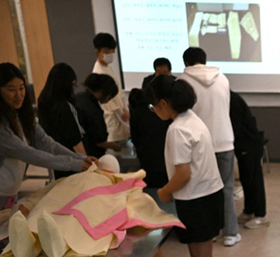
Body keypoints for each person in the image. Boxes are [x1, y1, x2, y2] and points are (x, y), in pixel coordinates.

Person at [147, 74, 225, 257]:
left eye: (153, 106)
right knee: (198, 253)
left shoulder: (178, 130)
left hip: (197, 199)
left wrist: (164, 192)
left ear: (163, 104)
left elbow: (182, 175)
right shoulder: (191, 119)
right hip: (206, 195)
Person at [0, 63, 94, 211]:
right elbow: (27, 153)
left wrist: (80, 158)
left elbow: (47, 143)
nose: (19, 95)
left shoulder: (19, 114)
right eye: (11, 90)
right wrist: (75, 164)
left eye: (21, 88)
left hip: (10, 189)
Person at [179, 47, 240, 246]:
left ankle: (210, 232)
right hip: (224, 140)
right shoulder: (222, 78)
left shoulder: (182, 82)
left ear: (186, 63)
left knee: (203, 191)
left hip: (198, 145)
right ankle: (231, 233)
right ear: (204, 61)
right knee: (227, 189)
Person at [37, 63, 86, 179]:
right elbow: (74, 138)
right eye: (73, 85)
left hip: (54, 154)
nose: (74, 89)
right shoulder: (64, 106)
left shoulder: (44, 100)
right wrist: (85, 159)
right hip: (70, 155)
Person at [128, 81, 172, 213]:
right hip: (166, 157)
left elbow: (135, 138)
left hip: (147, 159)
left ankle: (154, 216)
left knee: (152, 191)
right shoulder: (162, 112)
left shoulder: (136, 114)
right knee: (167, 189)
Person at [229, 90, 267, 228]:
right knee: (246, 178)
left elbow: (235, 126)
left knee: (254, 179)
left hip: (249, 142)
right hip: (242, 144)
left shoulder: (231, 100)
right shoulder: (228, 97)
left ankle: (260, 215)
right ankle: (249, 210)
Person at [91, 32, 130, 143]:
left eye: (112, 51)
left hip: (121, 119)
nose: (110, 54)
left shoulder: (107, 68)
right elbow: (109, 102)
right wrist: (124, 115)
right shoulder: (99, 72)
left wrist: (125, 109)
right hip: (113, 122)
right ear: (97, 51)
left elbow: (119, 93)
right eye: (106, 51)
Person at [75, 73, 120, 159]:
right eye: (109, 97)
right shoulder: (92, 110)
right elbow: (98, 141)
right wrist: (114, 146)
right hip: (89, 154)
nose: (108, 101)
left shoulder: (79, 97)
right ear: (102, 92)